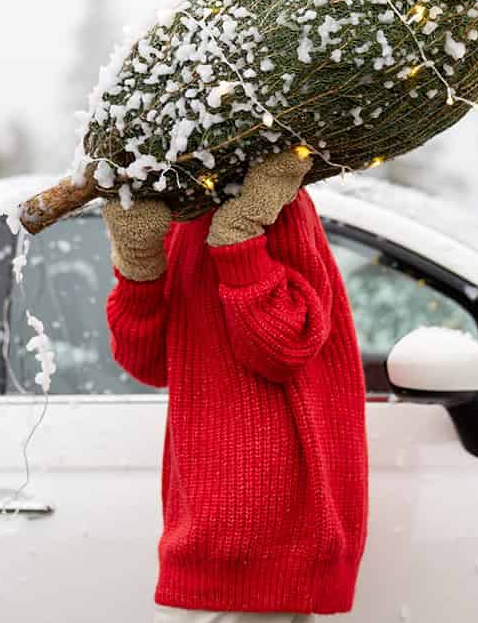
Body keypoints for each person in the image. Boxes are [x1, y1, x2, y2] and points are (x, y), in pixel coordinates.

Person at [102, 149, 369, 623]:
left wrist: (240, 239)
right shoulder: (189, 212)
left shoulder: (273, 203)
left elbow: (286, 347)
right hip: (215, 526)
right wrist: (139, 263)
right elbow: (149, 362)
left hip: (261, 532)